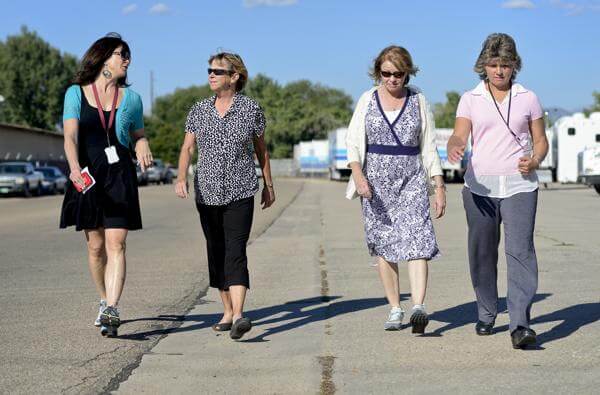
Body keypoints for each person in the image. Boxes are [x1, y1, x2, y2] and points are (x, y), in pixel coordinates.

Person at [447, 33, 548, 349]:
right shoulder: (471, 98)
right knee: (483, 253)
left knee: (520, 253)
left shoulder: (528, 97)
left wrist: (534, 160)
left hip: (520, 186)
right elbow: (459, 133)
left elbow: (541, 140)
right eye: (493, 64)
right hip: (480, 188)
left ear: (514, 65)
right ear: (483, 66)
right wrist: (455, 145)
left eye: (505, 64)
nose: (499, 71)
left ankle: (520, 325)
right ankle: (487, 312)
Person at [175, 52, 275, 340]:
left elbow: (261, 150)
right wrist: (181, 177)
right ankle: (228, 311)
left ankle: (240, 315)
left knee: (235, 249)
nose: (211, 75)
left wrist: (268, 185)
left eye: (218, 71)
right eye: (210, 70)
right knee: (216, 250)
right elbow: (187, 148)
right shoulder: (198, 110)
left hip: (240, 190)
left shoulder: (251, 110)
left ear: (235, 77)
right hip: (206, 192)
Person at [345, 45, 446, 333]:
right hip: (375, 182)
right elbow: (353, 142)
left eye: (398, 74)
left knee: (419, 239)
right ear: (378, 72)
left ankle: (418, 307)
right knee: (385, 245)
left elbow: (428, 146)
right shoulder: (367, 99)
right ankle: (395, 308)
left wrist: (438, 185)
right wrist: (358, 176)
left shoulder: (419, 100)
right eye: (386, 73)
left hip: (412, 178)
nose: (392, 79)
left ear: (407, 74)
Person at [60, 33, 153, 337]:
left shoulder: (133, 99)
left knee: (117, 243)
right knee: (96, 246)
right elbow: (70, 137)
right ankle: (103, 298)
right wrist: (74, 168)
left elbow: (138, 134)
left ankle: (112, 308)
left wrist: (141, 144)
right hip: (87, 177)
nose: (126, 59)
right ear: (102, 59)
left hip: (119, 177)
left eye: (128, 55)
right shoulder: (75, 94)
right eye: (120, 54)